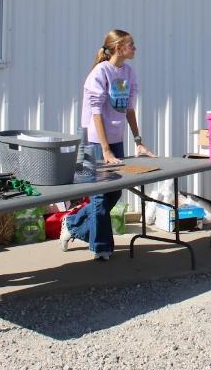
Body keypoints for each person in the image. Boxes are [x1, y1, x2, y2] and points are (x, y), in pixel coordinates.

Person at [62, 29, 155, 260]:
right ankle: (101, 248)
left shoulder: (128, 72)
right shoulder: (100, 72)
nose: (135, 48)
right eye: (131, 44)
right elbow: (96, 114)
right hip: (95, 139)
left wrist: (138, 141)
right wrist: (104, 149)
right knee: (100, 196)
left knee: (115, 193)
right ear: (117, 48)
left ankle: (73, 223)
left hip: (116, 138)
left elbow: (129, 108)